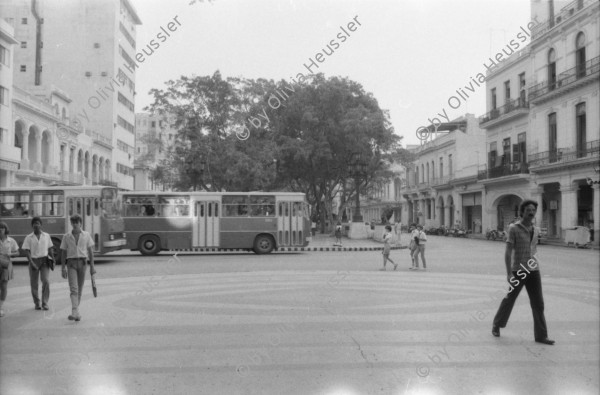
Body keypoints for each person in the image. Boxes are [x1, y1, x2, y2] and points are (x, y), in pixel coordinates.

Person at [492, 200, 555, 345]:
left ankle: (541, 336)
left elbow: (534, 249)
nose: (531, 213)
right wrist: (509, 273)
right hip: (518, 270)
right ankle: (497, 324)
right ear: (522, 212)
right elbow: (508, 252)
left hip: (533, 270)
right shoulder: (514, 228)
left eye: (533, 210)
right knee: (510, 299)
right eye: (528, 210)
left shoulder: (536, 229)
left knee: (538, 303)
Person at [60, 214, 96, 322]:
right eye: (73, 222)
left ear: (81, 223)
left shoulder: (86, 235)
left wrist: (92, 267)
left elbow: (90, 252)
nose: (75, 224)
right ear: (71, 223)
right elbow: (63, 252)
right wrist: (63, 268)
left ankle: (76, 312)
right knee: (74, 289)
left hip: (83, 263)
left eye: (77, 222)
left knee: (79, 289)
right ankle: (74, 311)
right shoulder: (66, 236)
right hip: (71, 264)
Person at [22, 217, 54, 311]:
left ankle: (45, 303)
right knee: (34, 283)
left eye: (38, 223)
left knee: (46, 281)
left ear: (41, 225)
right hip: (34, 261)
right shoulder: (29, 237)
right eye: (34, 223)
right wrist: (31, 262)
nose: (36, 225)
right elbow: (27, 251)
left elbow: (50, 248)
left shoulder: (46, 236)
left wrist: (53, 259)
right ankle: (37, 303)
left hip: (44, 261)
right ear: (32, 226)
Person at [0, 222, 20, 318]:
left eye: (2, 228)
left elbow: (17, 252)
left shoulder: (11, 240)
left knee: (3, 286)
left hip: (5, 264)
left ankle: (1, 307)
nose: (0, 230)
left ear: (5, 230)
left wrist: (11, 254)